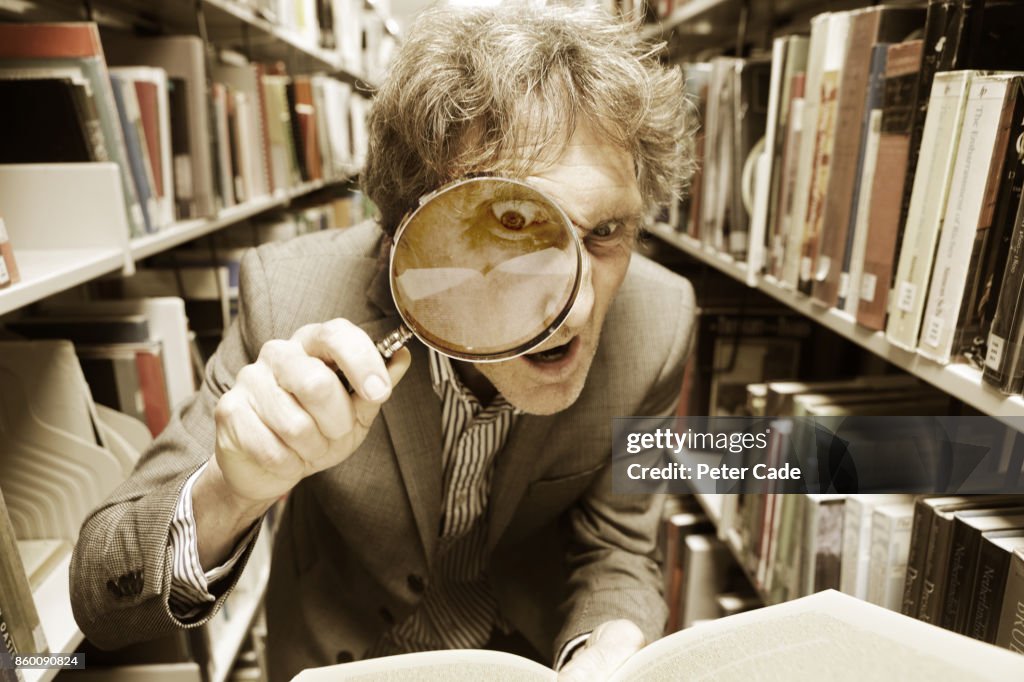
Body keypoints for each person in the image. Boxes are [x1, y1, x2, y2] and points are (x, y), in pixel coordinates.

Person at [70, 5, 696, 681]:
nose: (574, 308)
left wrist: (606, 645)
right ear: (408, 231)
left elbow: (619, 547)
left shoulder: (657, 322)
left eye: (605, 233)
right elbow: (101, 601)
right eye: (515, 229)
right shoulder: (291, 297)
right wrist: (234, 492)